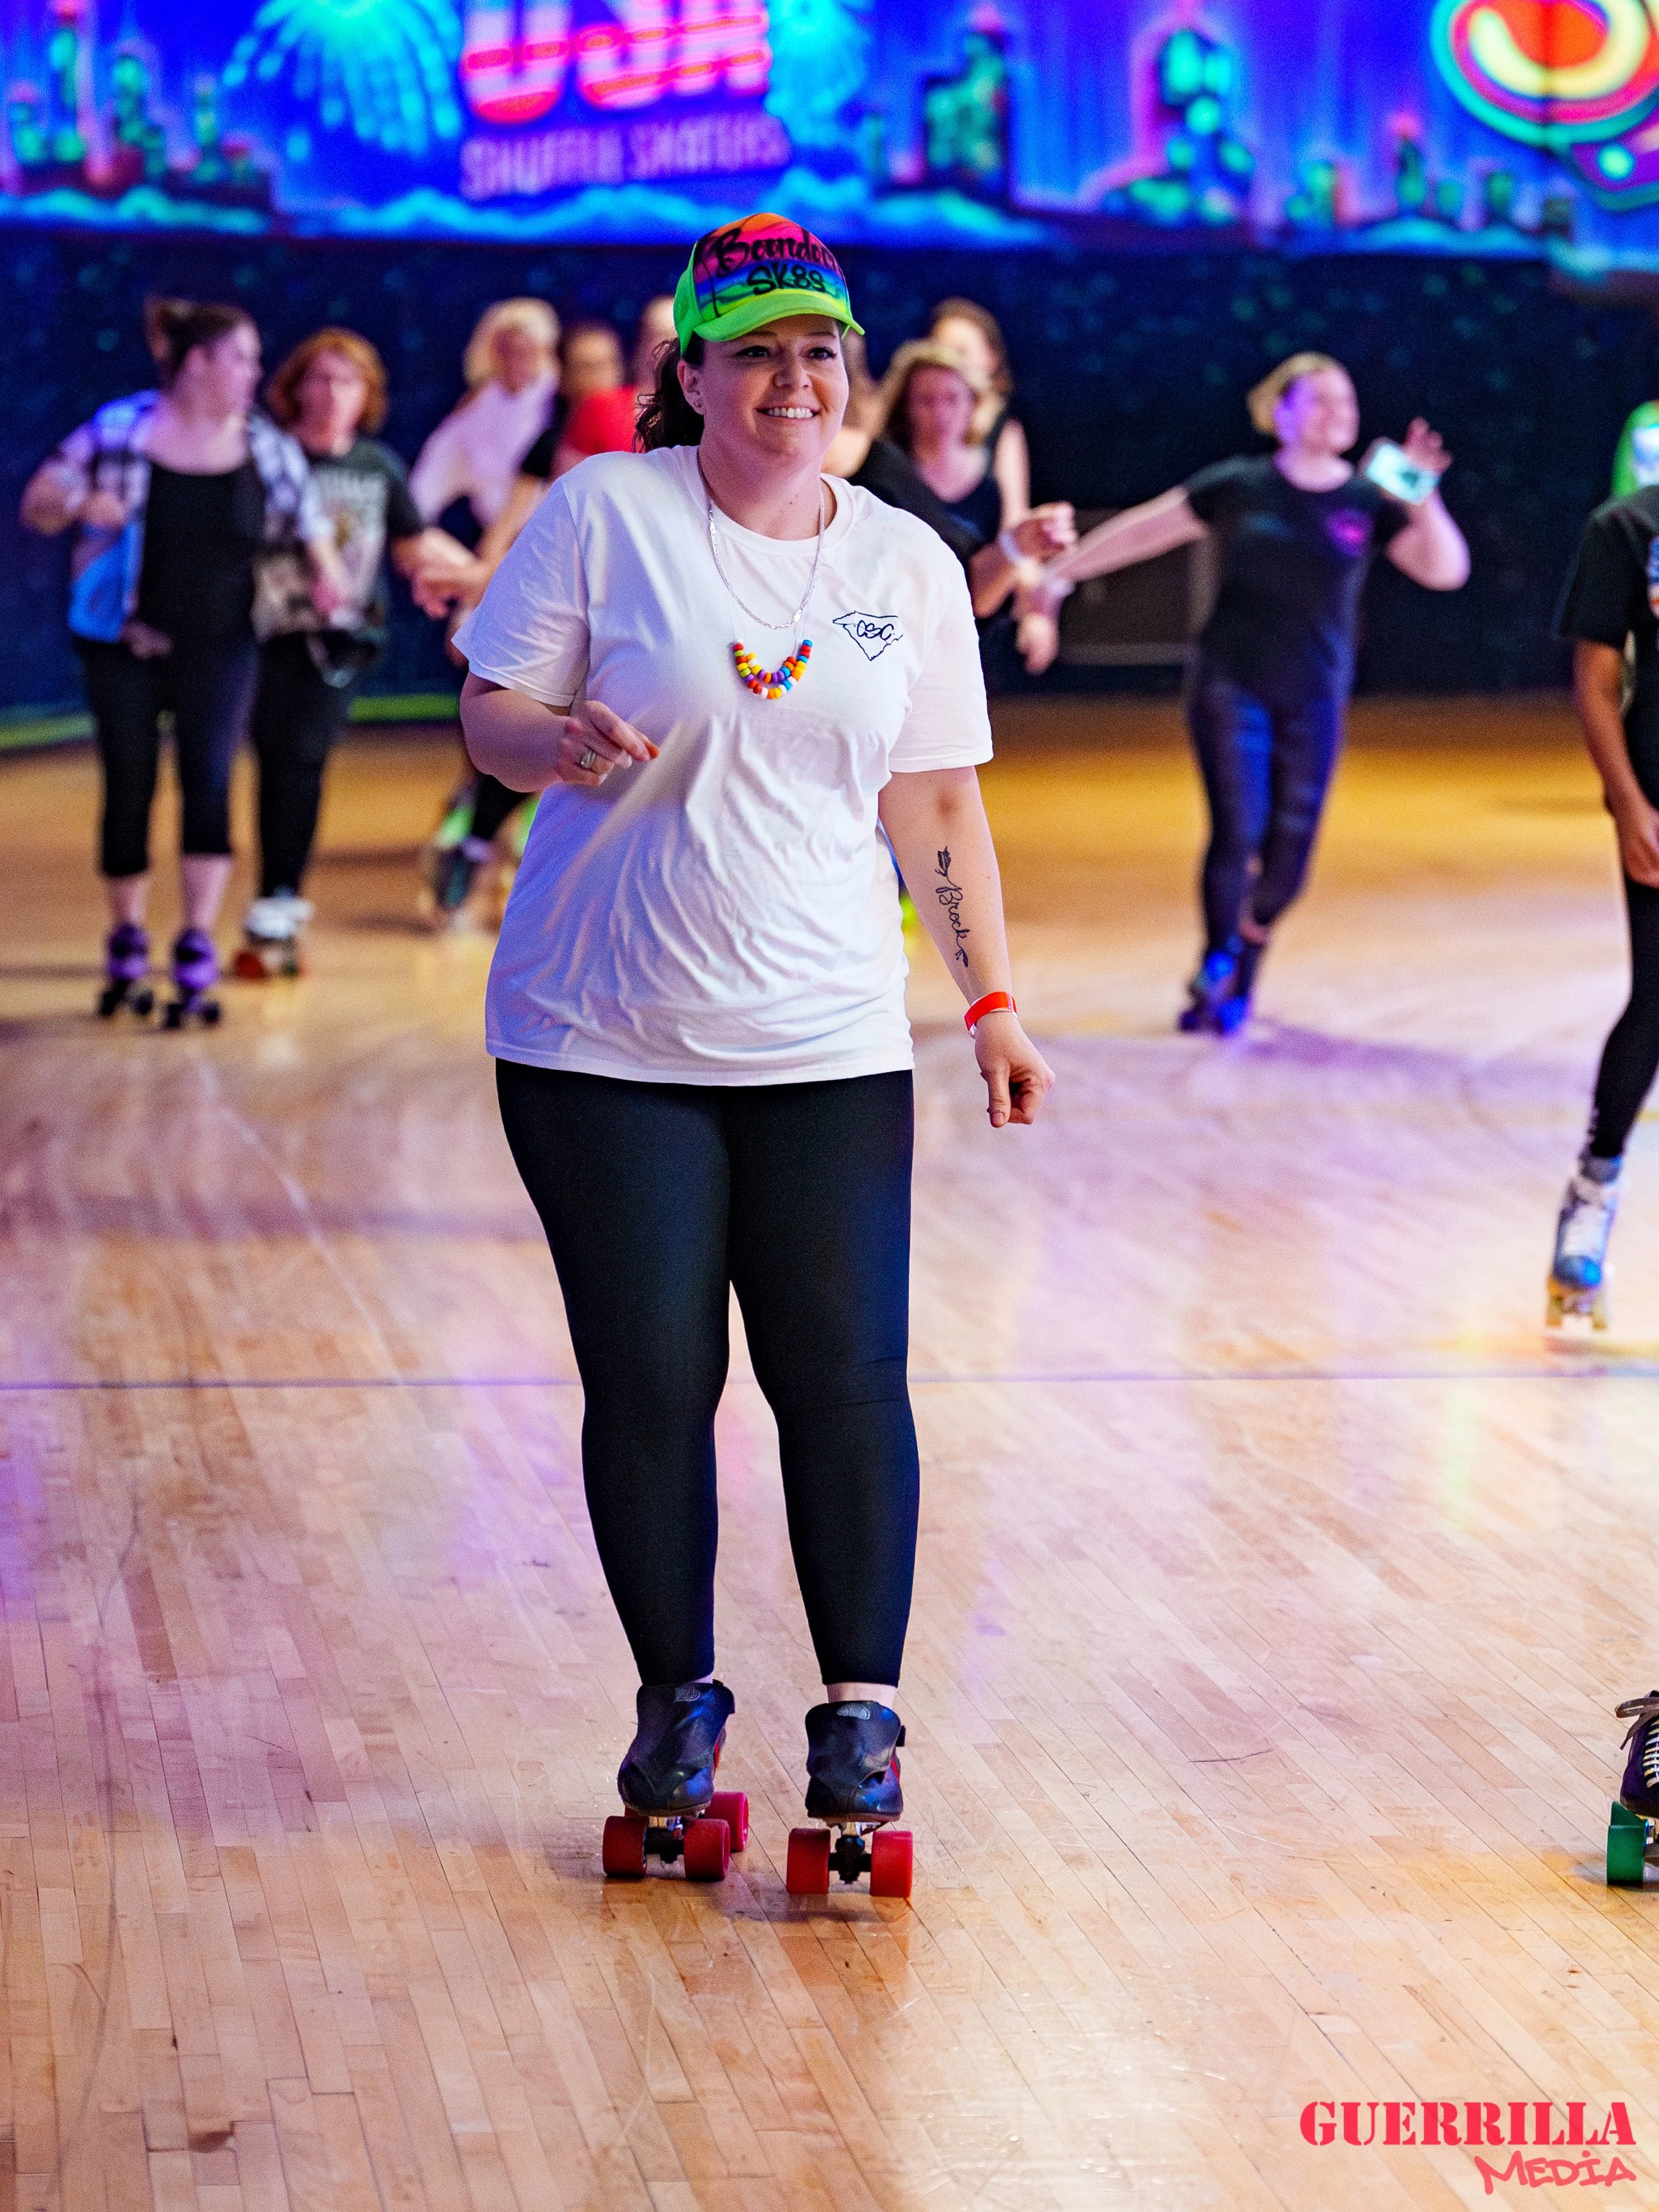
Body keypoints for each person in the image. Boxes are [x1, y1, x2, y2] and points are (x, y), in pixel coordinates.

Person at [454, 212, 1053, 1887]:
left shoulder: (905, 566)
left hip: (826, 1038)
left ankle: (857, 1715)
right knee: (653, 1378)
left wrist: (988, 1001)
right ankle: (676, 1707)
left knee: (845, 1376)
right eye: (757, 352)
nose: (793, 379)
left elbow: (934, 801)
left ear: (848, 374)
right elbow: (488, 716)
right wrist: (548, 737)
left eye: (819, 351)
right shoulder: (603, 515)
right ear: (692, 374)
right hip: (598, 1037)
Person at [1024, 352, 1469, 1033]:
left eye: (1344, 401)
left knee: (1288, 854)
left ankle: (1244, 959)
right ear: (1280, 412)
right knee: (1237, 828)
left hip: (1314, 695)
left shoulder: (1364, 499)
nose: (1336, 413)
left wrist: (1422, 500)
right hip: (1230, 683)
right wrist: (1058, 577)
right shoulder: (1239, 484)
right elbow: (1145, 530)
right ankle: (1216, 959)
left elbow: (1444, 573)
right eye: (1317, 400)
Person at [20, 298, 343, 1024]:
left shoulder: (262, 444)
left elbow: (310, 525)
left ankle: (195, 938)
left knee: (210, 780)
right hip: (121, 640)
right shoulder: (120, 428)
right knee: (129, 784)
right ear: (197, 363)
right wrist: (76, 503)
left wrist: (326, 575)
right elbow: (39, 501)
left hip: (222, 642)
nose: (254, 373)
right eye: (241, 358)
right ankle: (126, 933)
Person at [235, 327, 485, 975]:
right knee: (274, 756)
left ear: (367, 393)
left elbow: (413, 542)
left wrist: (488, 580)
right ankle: (274, 898)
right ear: (293, 387)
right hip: (259, 634)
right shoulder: (267, 457)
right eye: (318, 377)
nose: (331, 392)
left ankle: (280, 902)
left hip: (340, 641)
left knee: (302, 755)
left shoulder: (374, 467)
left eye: (347, 380)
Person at [1545, 473, 1659, 1323]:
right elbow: (1593, 680)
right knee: (1655, 1002)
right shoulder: (1624, 526)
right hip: (1657, 797)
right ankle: (1593, 1188)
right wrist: (1628, 804)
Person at [410, 298, 561, 914]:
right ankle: (478, 833)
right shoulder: (476, 415)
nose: (517, 356)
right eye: (506, 344)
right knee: (497, 698)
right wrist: (436, 556)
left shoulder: (568, 406)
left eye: (528, 343)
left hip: (563, 560)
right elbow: (420, 491)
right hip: (502, 565)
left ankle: (514, 843)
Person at [867, 337, 1074, 690]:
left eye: (952, 399)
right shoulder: (882, 471)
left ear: (973, 404)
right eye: (926, 401)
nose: (941, 412)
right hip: (902, 630)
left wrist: (1038, 614)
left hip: (980, 626)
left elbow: (1016, 536)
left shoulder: (993, 465)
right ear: (905, 408)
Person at [927, 296, 1031, 532]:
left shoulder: (1004, 431)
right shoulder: (902, 427)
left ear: (991, 358)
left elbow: (1014, 523)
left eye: (961, 352)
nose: (949, 363)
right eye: (939, 351)